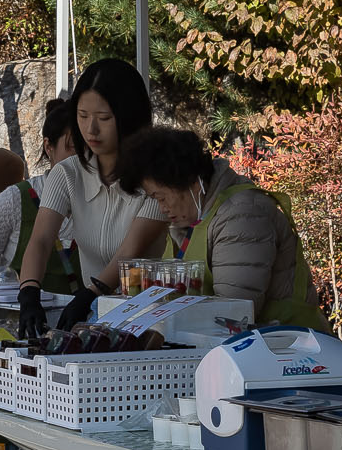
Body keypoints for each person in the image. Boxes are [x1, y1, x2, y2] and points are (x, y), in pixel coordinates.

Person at [17, 59, 168, 335]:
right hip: (97, 323)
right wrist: (28, 292)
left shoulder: (156, 178)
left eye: (104, 118)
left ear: (129, 117)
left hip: (151, 325)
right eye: (83, 116)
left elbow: (129, 253)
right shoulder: (67, 173)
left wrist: (90, 293)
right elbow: (40, 239)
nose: (91, 130)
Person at [115, 127, 324, 326]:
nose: (162, 208)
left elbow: (234, 311)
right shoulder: (194, 217)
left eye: (161, 198)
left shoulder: (243, 215)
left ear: (192, 183)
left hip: (290, 347)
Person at [0, 97, 78, 278]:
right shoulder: (13, 201)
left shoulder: (105, 200)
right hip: (22, 306)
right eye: (73, 147)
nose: (83, 157)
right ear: (48, 147)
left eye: (89, 148)